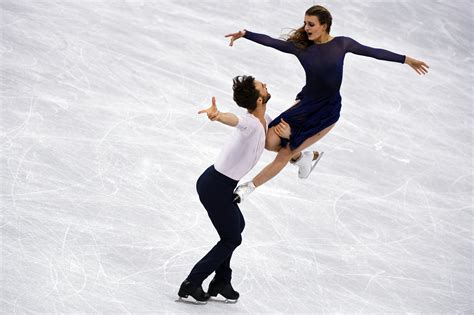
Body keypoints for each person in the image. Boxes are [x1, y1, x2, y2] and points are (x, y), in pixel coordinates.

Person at [227, 5, 429, 203]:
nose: (306, 28)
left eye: (311, 24)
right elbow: (272, 42)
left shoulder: (342, 44)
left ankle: (248, 188)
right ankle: (303, 158)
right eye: (305, 23)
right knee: (270, 142)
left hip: (327, 111)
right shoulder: (303, 48)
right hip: (306, 104)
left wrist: (407, 60)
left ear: (324, 26)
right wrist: (246, 34)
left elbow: (373, 51)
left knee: (284, 152)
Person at [177, 75, 290, 304]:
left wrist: (287, 139)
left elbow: (269, 145)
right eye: (262, 86)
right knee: (231, 239)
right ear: (259, 99)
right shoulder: (249, 122)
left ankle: (222, 281)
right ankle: (192, 282)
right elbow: (235, 120)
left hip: (220, 184)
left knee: (237, 226)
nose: (266, 84)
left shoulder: (264, 119)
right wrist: (218, 116)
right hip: (215, 186)